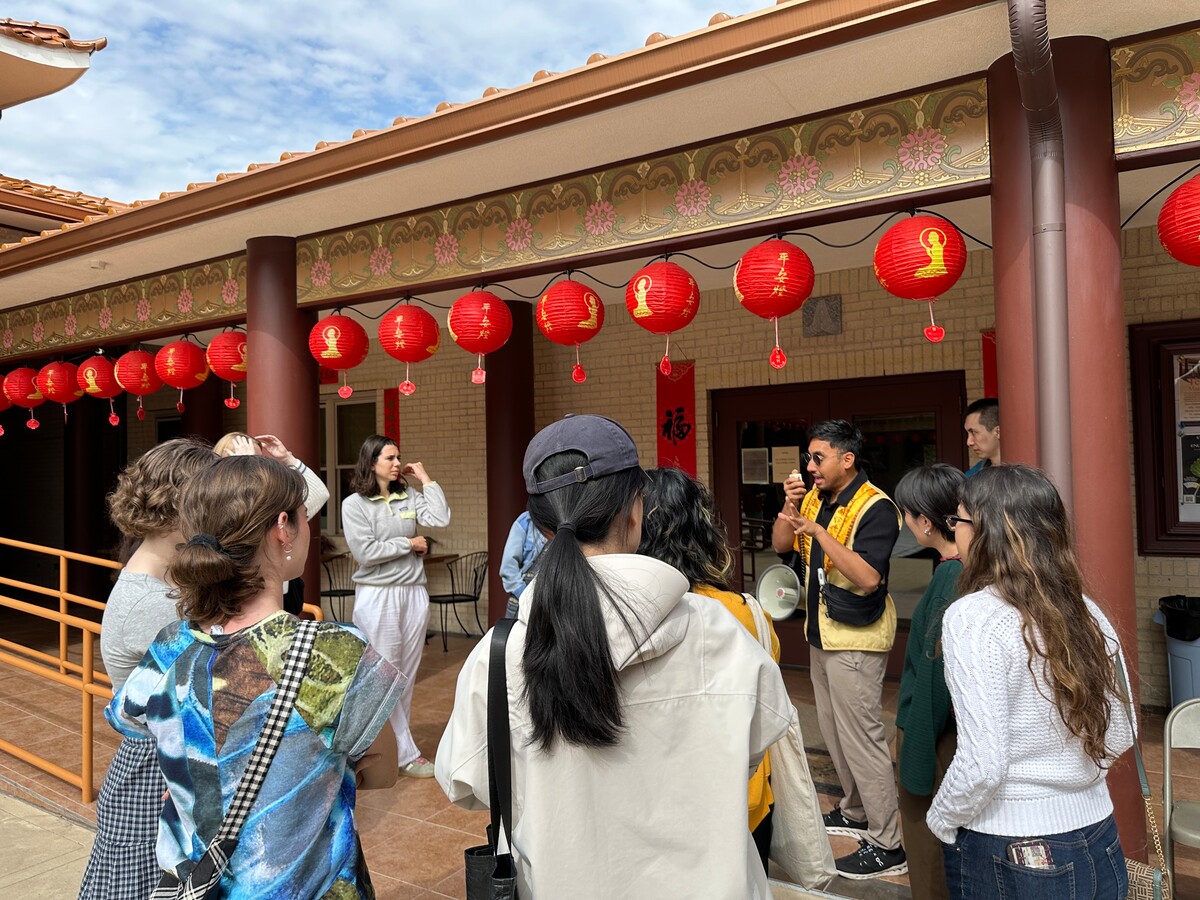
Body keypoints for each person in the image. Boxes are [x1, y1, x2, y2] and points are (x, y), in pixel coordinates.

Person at [437, 415, 791, 899]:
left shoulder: (499, 656)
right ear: (635, 511)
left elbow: (466, 785)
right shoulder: (720, 632)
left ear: (540, 529)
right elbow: (753, 751)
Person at [106, 455, 405, 898]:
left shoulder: (169, 646)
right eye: (306, 518)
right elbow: (384, 771)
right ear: (283, 527)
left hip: (194, 884)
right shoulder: (332, 653)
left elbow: (129, 719)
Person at [926, 465, 1133, 898]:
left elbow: (982, 765)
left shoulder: (975, 617)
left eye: (958, 520)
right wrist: (1073, 778)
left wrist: (942, 818)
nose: (955, 530)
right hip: (1100, 835)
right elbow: (1121, 730)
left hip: (1010, 845)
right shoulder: (1087, 610)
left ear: (986, 531)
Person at [78, 438, 218, 900]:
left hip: (160, 760)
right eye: (213, 500)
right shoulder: (151, 603)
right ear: (183, 506)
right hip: (156, 772)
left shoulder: (161, 577)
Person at [771, 419, 904, 880]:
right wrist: (790, 507)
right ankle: (855, 812)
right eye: (808, 458)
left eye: (818, 457)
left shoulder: (877, 508)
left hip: (856, 639)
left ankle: (890, 843)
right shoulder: (812, 498)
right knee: (834, 733)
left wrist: (821, 533)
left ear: (847, 459)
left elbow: (868, 579)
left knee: (863, 740)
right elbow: (781, 544)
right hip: (821, 633)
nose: (809, 467)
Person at [635, 466, 782, 872]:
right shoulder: (743, 613)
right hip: (739, 798)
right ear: (703, 530)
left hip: (653, 802)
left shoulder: (622, 615)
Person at [341, 434, 450, 778]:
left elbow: (441, 518)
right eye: (389, 458)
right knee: (384, 673)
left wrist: (426, 479)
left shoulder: (409, 495)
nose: (396, 463)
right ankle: (404, 751)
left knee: (405, 674)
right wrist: (408, 543)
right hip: (378, 595)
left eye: (398, 457)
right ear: (371, 463)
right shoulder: (354, 505)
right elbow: (366, 552)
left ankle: (388, 745)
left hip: (413, 592)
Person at [891, 464, 965, 900]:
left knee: (927, 849)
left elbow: (932, 683)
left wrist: (913, 762)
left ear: (924, 520)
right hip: (947, 733)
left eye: (907, 513)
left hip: (932, 736)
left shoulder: (948, 580)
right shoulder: (962, 570)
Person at [215, 431, 330, 615]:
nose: (260, 468)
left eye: (260, 461)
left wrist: (287, 459)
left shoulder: (278, 507)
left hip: (284, 600)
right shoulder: (214, 508)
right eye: (250, 462)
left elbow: (318, 495)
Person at [498, 510, 547, 617]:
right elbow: (508, 568)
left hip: (552, 603)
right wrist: (523, 594)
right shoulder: (526, 521)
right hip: (525, 598)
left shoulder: (568, 520)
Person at [962, 398, 999, 477]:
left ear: (998, 432)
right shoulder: (972, 476)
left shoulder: (1027, 473)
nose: (969, 442)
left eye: (974, 432)